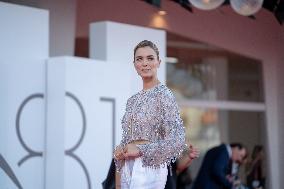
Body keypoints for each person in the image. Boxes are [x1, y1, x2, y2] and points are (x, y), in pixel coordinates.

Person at [113, 40, 187, 189]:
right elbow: (128, 139)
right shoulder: (132, 100)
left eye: (150, 58)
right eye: (139, 59)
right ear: (134, 64)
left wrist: (140, 150)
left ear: (158, 62)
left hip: (150, 168)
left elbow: (177, 141)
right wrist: (120, 153)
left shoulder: (164, 95)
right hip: (127, 167)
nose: (145, 63)